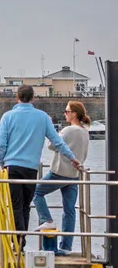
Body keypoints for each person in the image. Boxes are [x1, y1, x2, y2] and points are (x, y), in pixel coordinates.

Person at [0, 85, 81, 243]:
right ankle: (21, 240)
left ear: (17, 97)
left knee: (15, 206)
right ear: (33, 98)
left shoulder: (7, 117)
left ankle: (18, 243)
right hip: (31, 168)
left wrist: (2, 162)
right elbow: (57, 141)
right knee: (25, 206)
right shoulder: (42, 117)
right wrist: (72, 158)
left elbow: (1, 145)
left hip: (12, 167)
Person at [33, 100, 91, 256]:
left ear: (74, 114)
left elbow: (51, 145)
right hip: (74, 175)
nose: (65, 114)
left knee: (36, 192)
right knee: (69, 210)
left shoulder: (68, 130)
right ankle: (66, 247)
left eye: (67, 111)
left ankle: (47, 220)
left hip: (60, 171)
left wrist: (52, 128)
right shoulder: (85, 131)